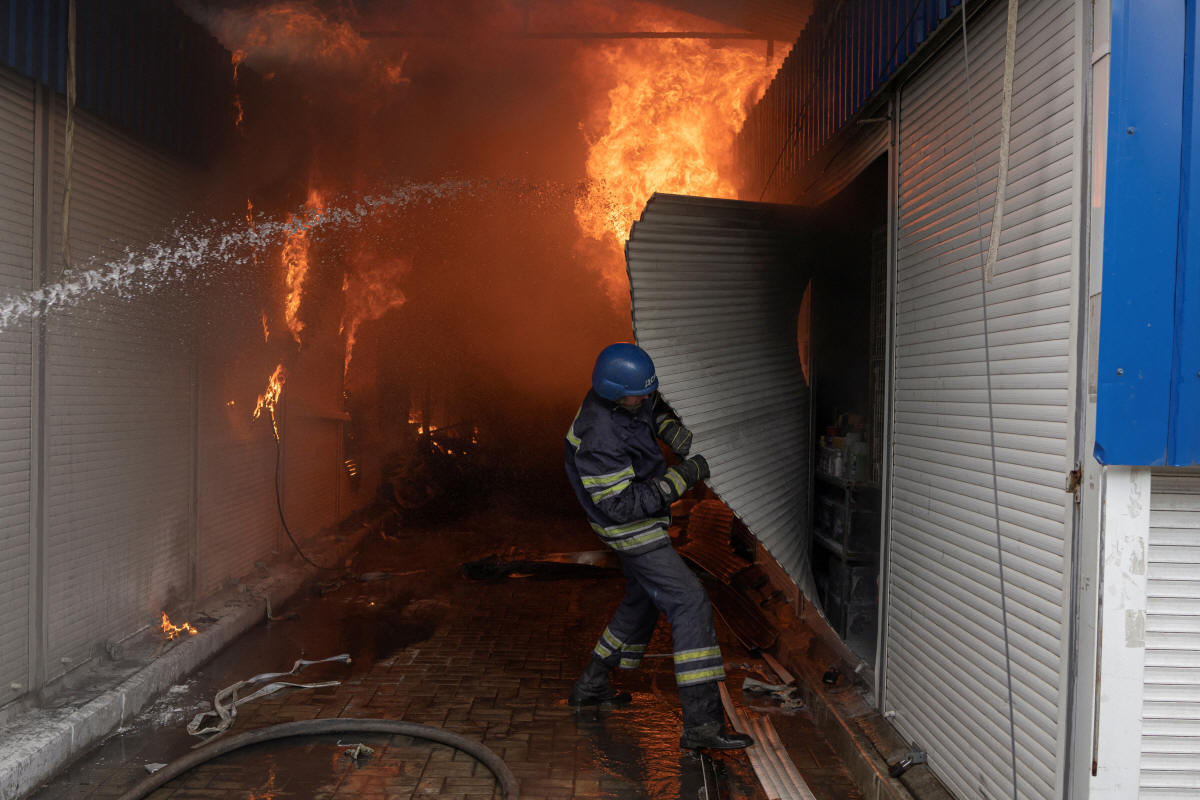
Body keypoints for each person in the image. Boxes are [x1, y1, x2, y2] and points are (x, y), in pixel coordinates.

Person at [563, 342, 753, 751]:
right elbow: (622, 506)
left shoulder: (625, 396)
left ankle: (592, 684)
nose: (646, 397)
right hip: (628, 527)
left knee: (641, 600)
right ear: (616, 393)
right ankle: (702, 724)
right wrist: (686, 474)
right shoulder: (600, 435)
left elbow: (652, 410)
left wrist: (676, 434)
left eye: (649, 390)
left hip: (638, 518)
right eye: (640, 393)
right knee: (690, 601)